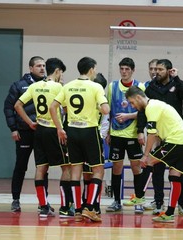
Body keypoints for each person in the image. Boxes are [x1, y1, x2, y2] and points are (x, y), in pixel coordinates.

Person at [50, 57, 110, 222]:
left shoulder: (68, 86)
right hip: (89, 131)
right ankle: (90, 208)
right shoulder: (96, 86)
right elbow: (105, 110)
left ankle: (77, 210)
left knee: (75, 171)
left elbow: (52, 107)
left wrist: (60, 128)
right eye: (95, 69)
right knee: (98, 170)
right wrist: (98, 105)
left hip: (72, 131)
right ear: (91, 69)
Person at [125, 85, 183, 223]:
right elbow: (156, 134)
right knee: (175, 176)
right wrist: (153, 151)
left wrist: (145, 155)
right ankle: (169, 214)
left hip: (176, 141)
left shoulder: (151, 107)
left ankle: (139, 196)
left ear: (138, 97)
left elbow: (150, 134)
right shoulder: (157, 105)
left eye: (132, 102)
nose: (132, 106)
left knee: (148, 162)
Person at [14, 57, 71, 218]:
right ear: (58, 71)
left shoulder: (35, 86)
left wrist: (30, 123)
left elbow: (17, 105)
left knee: (41, 168)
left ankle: (43, 206)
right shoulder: (59, 87)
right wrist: (61, 128)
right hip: (54, 130)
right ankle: (65, 207)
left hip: (39, 130)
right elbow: (66, 110)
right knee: (66, 167)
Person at [137, 59, 183, 215]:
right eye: (155, 69)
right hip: (158, 134)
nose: (156, 72)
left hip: (175, 135)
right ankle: (159, 202)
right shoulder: (151, 88)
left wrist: (177, 79)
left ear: (169, 70)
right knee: (157, 169)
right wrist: (140, 130)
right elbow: (142, 111)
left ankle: (181, 203)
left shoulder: (176, 84)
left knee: (176, 172)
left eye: (160, 69)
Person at [3, 56, 52, 212]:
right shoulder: (19, 85)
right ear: (31, 68)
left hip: (42, 132)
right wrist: (13, 128)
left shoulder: (49, 85)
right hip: (24, 132)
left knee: (43, 168)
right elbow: (9, 108)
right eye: (38, 66)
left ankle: (43, 202)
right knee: (20, 166)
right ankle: (15, 200)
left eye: (44, 65)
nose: (42, 68)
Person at [105, 57, 145, 213]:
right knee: (116, 167)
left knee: (136, 168)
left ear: (132, 70)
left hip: (133, 135)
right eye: (122, 68)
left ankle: (139, 200)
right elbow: (108, 111)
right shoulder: (112, 86)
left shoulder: (140, 86)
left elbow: (144, 110)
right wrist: (108, 131)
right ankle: (116, 201)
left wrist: (131, 119)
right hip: (116, 133)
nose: (124, 72)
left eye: (127, 69)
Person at [82, 73, 109, 215]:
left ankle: (91, 203)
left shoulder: (99, 100)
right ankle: (90, 203)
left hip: (90, 136)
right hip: (94, 138)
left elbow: (105, 124)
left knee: (90, 173)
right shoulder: (98, 100)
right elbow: (105, 125)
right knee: (94, 173)